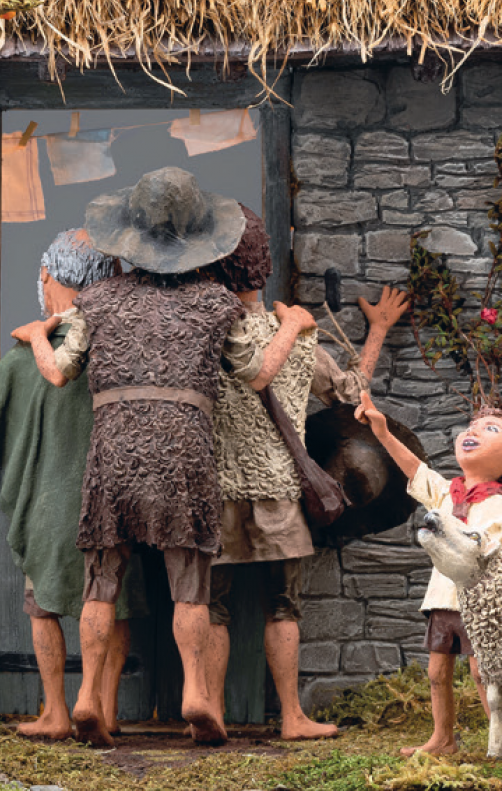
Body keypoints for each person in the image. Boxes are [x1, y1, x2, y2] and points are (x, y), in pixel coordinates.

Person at [16, 167, 315, 748]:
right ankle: (198, 693)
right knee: (189, 582)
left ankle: (85, 700)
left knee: (101, 580)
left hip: (113, 449)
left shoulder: (97, 300)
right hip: (184, 450)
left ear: (130, 235)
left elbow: (56, 375)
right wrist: (294, 326)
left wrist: (33, 336)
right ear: (199, 238)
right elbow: (258, 375)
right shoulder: (213, 303)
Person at [196, 203, 409, 739]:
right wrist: (377, 330)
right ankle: (292, 717)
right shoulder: (302, 336)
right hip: (280, 493)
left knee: (211, 606)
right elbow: (352, 395)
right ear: (262, 269)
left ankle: (212, 711)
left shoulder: (200, 336)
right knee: (283, 605)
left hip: (215, 487)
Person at [0, 229, 143, 739]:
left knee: (41, 603)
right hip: (116, 501)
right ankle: (106, 709)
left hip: (50, 502)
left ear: (50, 278)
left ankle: (56, 712)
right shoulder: (124, 348)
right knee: (115, 599)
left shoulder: (30, 353)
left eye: (43, 276)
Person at [353, 392, 502, 757]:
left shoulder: (501, 506)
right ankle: (442, 738)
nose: (473, 431)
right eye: (473, 425)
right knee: (436, 673)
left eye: (490, 429)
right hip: (442, 600)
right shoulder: (445, 492)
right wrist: (382, 433)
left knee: (484, 675)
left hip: (482, 606)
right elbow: (413, 467)